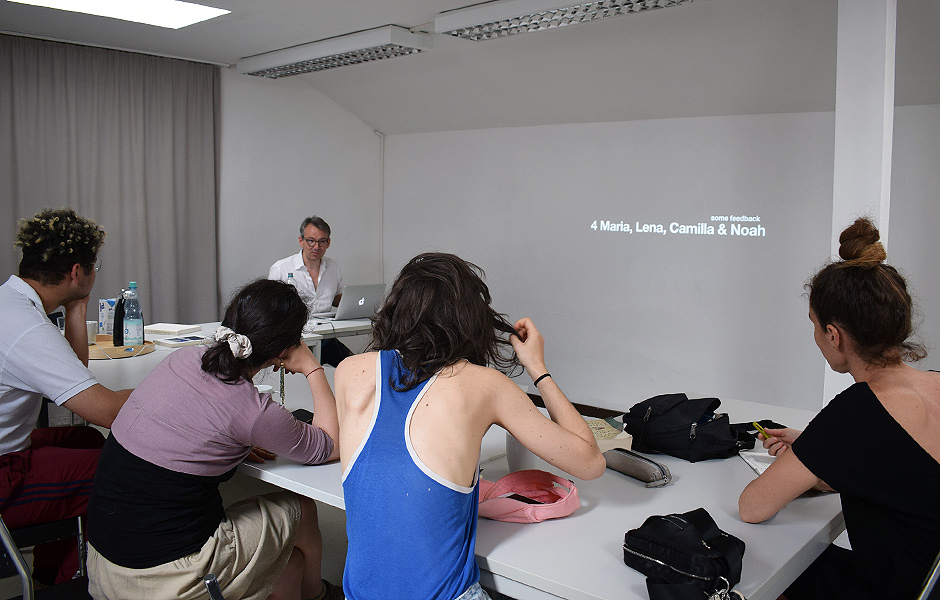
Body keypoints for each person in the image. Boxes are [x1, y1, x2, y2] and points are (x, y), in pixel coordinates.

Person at [334, 252, 606, 600]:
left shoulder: (348, 372)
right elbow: (590, 462)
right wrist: (537, 366)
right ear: (470, 319)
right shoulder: (485, 385)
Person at [86, 279, 343, 600]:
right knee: (301, 510)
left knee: (288, 565)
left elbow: (181, 422)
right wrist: (311, 366)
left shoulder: (181, 359)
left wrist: (236, 440)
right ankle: (322, 596)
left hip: (103, 566)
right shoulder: (252, 409)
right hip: (163, 576)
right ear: (283, 351)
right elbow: (330, 444)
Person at [738, 218, 940, 600]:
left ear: (834, 335)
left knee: (764, 569)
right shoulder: (935, 382)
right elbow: (904, 473)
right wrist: (817, 452)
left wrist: (815, 453)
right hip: (928, 578)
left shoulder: (859, 411)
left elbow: (753, 507)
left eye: (815, 325)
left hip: (896, 587)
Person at [0, 207, 132, 584]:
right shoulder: (25, 328)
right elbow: (104, 410)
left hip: (11, 448)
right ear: (78, 271)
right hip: (4, 474)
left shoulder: (12, 302)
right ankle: (80, 581)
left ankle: (53, 573)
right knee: (118, 470)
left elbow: (71, 375)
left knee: (85, 440)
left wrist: (77, 305)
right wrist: (177, 388)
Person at [269, 215, 352, 367]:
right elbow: (270, 307)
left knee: (352, 365)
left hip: (325, 335)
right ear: (301, 241)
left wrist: (356, 302)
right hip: (293, 339)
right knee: (309, 373)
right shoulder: (281, 268)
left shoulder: (333, 267)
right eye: (311, 241)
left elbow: (335, 298)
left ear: (328, 243)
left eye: (322, 241)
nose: (316, 247)